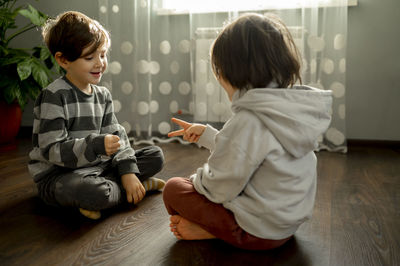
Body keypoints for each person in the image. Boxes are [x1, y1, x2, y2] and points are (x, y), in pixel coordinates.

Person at [162, 13, 333, 250]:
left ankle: (213, 232)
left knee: (173, 188)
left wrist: (195, 180)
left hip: (257, 232)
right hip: (287, 225)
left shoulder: (248, 120)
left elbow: (218, 187)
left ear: (231, 72)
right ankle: (219, 229)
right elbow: (256, 151)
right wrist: (207, 135)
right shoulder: (288, 111)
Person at [28, 11, 165, 220]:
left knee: (155, 155)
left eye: (102, 54)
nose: (100, 63)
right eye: (90, 57)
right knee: (94, 192)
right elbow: (51, 149)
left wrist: (127, 171)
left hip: (99, 168)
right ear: (64, 60)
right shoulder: (54, 96)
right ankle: (132, 189)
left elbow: (117, 136)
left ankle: (121, 187)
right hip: (59, 176)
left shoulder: (103, 95)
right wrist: (95, 145)